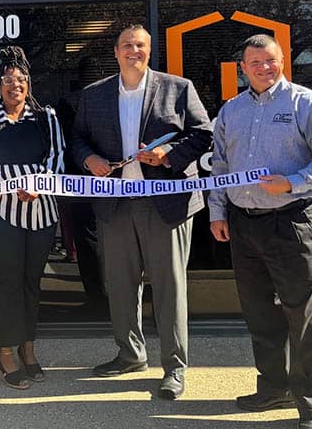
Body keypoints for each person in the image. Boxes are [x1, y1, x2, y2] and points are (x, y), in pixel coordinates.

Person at [209, 34, 312, 429]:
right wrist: (217, 213)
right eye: (254, 63)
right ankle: (273, 387)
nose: (263, 68)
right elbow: (220, 167)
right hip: (243, 223)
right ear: (243, 68)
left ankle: (311, 404)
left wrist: (293, 181)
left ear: (282, 60)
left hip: (291, 219)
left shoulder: (309, 104)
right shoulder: (231, 111)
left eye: (270, 61)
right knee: (259, 314)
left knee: (305, 314)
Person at [70, 24, 212, 399]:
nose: (134, 51)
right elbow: (78, 138)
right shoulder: (94, 94)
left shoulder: (178, 88)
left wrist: (169, 155)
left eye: (141, 45)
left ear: (150, 51)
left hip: (164, 203)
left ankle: (174, 367)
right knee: (119, 286)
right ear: (116, 53)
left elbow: (203, 133)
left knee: (169, 288)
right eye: (127, 45)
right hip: (115, 203)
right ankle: (130, 354)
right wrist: (90, 159)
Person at [0, 46, 65, 390]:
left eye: (21, 80)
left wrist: (39, 185)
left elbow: (56, 158)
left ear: (29, 84)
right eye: (8, 81)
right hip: (0, 214)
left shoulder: (46, 117)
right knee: (6, 282)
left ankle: (28, 347)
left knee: (31, 282)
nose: (15, 86)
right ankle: (5, 351)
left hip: (40, 213)